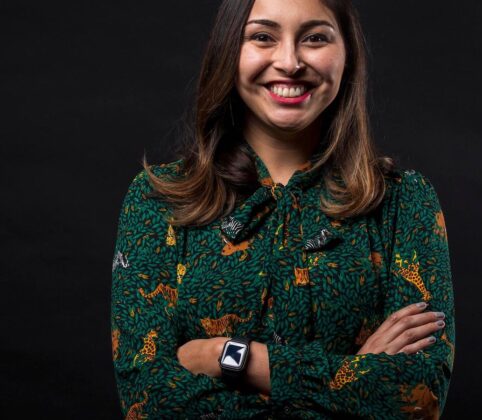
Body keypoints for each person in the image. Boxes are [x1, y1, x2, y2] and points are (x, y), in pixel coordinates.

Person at [110, 0, 455, 418]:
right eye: (262, 37)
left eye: (314, 38)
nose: (290, 62)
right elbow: (148, 402)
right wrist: (354, 377)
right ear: (228, 51)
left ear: (347, 53)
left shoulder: (405, 203)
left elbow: (417, 398)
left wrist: (228, 357)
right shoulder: (158, 199)